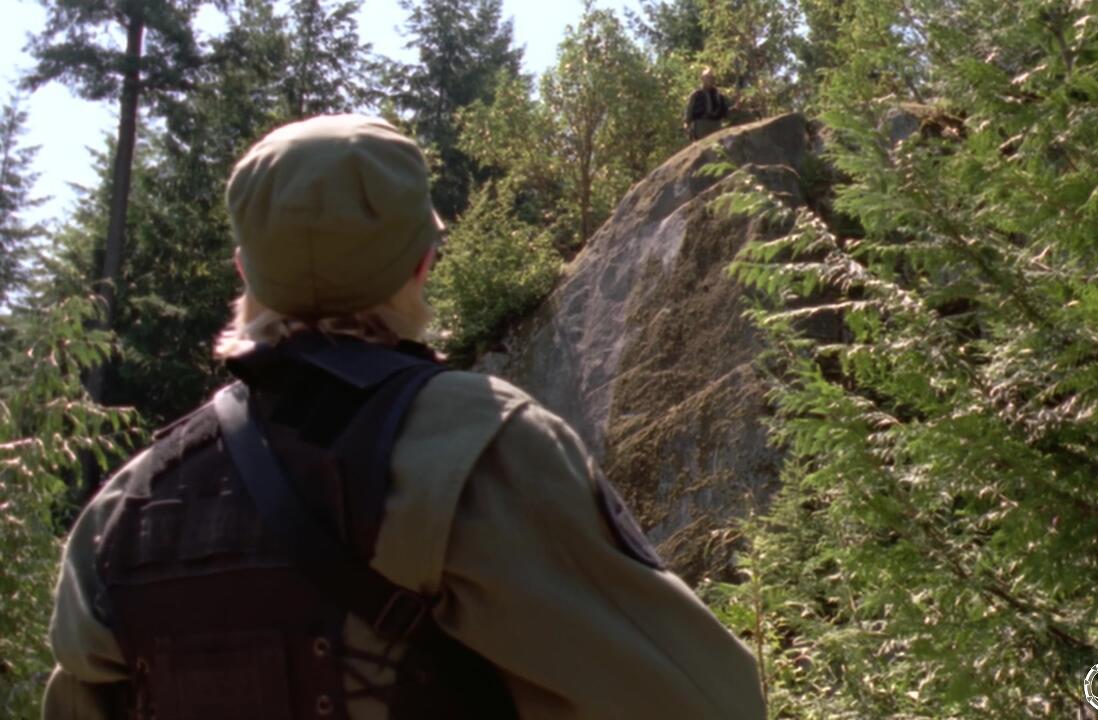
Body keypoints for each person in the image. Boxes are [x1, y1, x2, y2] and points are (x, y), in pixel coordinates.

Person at [41, 114, 766, 720]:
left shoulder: (125, 507)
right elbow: (707, 702)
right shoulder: (480, 444)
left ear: (243, 270)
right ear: (423, 262)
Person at [684, 68, 731, 141]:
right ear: (702, 79)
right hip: (701, 125)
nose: (710, 80)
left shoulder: (719, 95)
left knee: (717, 145)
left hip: (715, 124)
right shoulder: (696, 94)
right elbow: (689, 112)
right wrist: (687, 125)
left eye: (712, 78)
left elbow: (726, 112)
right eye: (707, 77)